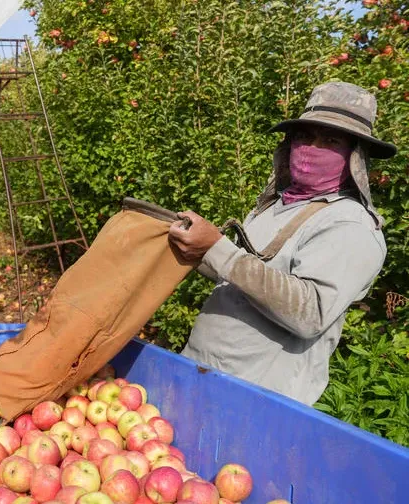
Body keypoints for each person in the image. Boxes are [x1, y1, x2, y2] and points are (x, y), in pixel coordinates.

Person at [167, 81, 397, 406]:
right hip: (203, 375)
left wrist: (217, 248)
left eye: (330, 140)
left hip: (255, 401)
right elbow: (238, 276)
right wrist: (194, 247)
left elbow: (311, 312)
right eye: (304, 136)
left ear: (355, 157)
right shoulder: (276, 207)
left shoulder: (349, 225)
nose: (311, 148)